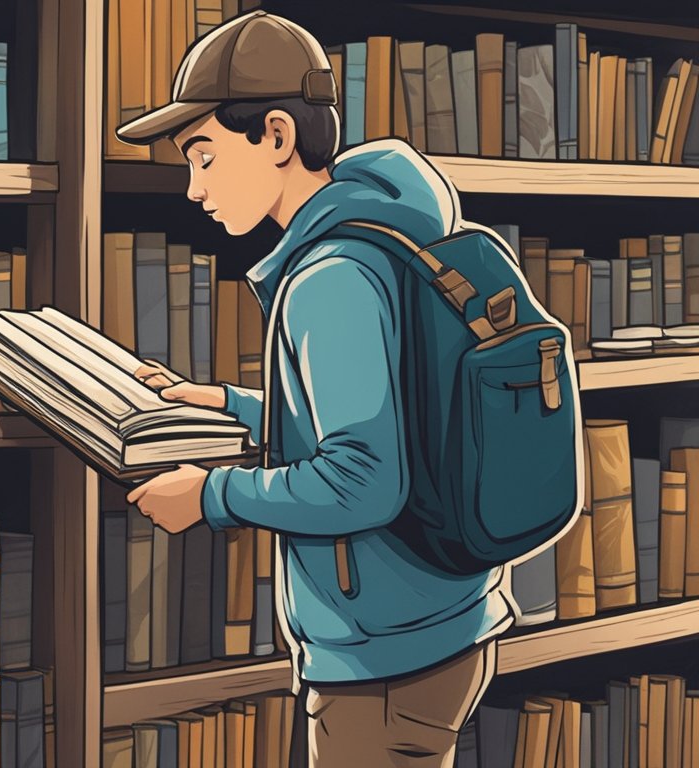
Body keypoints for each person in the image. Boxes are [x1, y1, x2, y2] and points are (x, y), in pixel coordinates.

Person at [117, 11, 516, 768]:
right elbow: (393, 422)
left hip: (388, 658)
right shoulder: (386, 233)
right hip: (439, 622)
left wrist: (209, 496)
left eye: (202, 157)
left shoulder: (329, 278)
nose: (193, 189)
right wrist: (231, 405)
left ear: (275, 136)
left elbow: (363, 480)